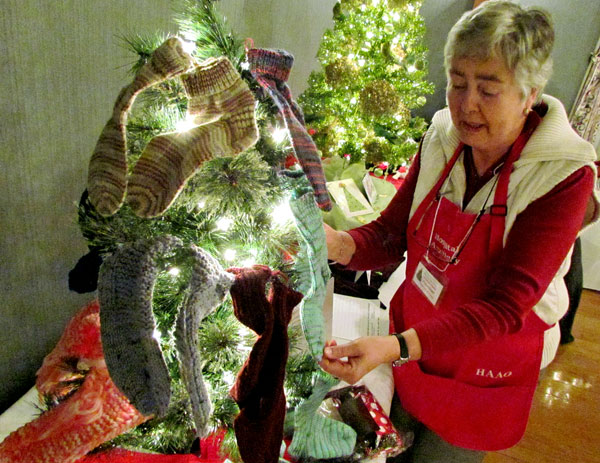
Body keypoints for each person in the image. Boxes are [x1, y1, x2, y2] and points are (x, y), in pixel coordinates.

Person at [319, 1, 599, 461]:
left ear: (529, 94)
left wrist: (395, 347)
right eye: (457, 82)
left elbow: (505, 307)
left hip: (484, 364)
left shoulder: (563, 173)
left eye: (488, 90)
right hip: (415, 342)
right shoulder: (444, 135)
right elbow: (392, 235)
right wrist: (335, 243)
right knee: (386, 446)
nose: (466, 104)